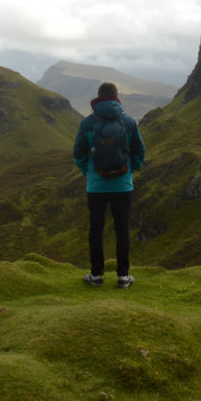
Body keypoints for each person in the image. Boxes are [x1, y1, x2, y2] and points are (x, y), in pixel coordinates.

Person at [72, 82, 145, 288]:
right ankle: (123, 277)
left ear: (98, 97)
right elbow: (139, 151)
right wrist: (132, 170)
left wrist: (89, 172)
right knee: (122, 230)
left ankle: (96, 276)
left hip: (96, 187)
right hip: (123, 186)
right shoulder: (129, 122)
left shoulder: (87, 124)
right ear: (116, 97)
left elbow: (78, 153)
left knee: (96, 230)